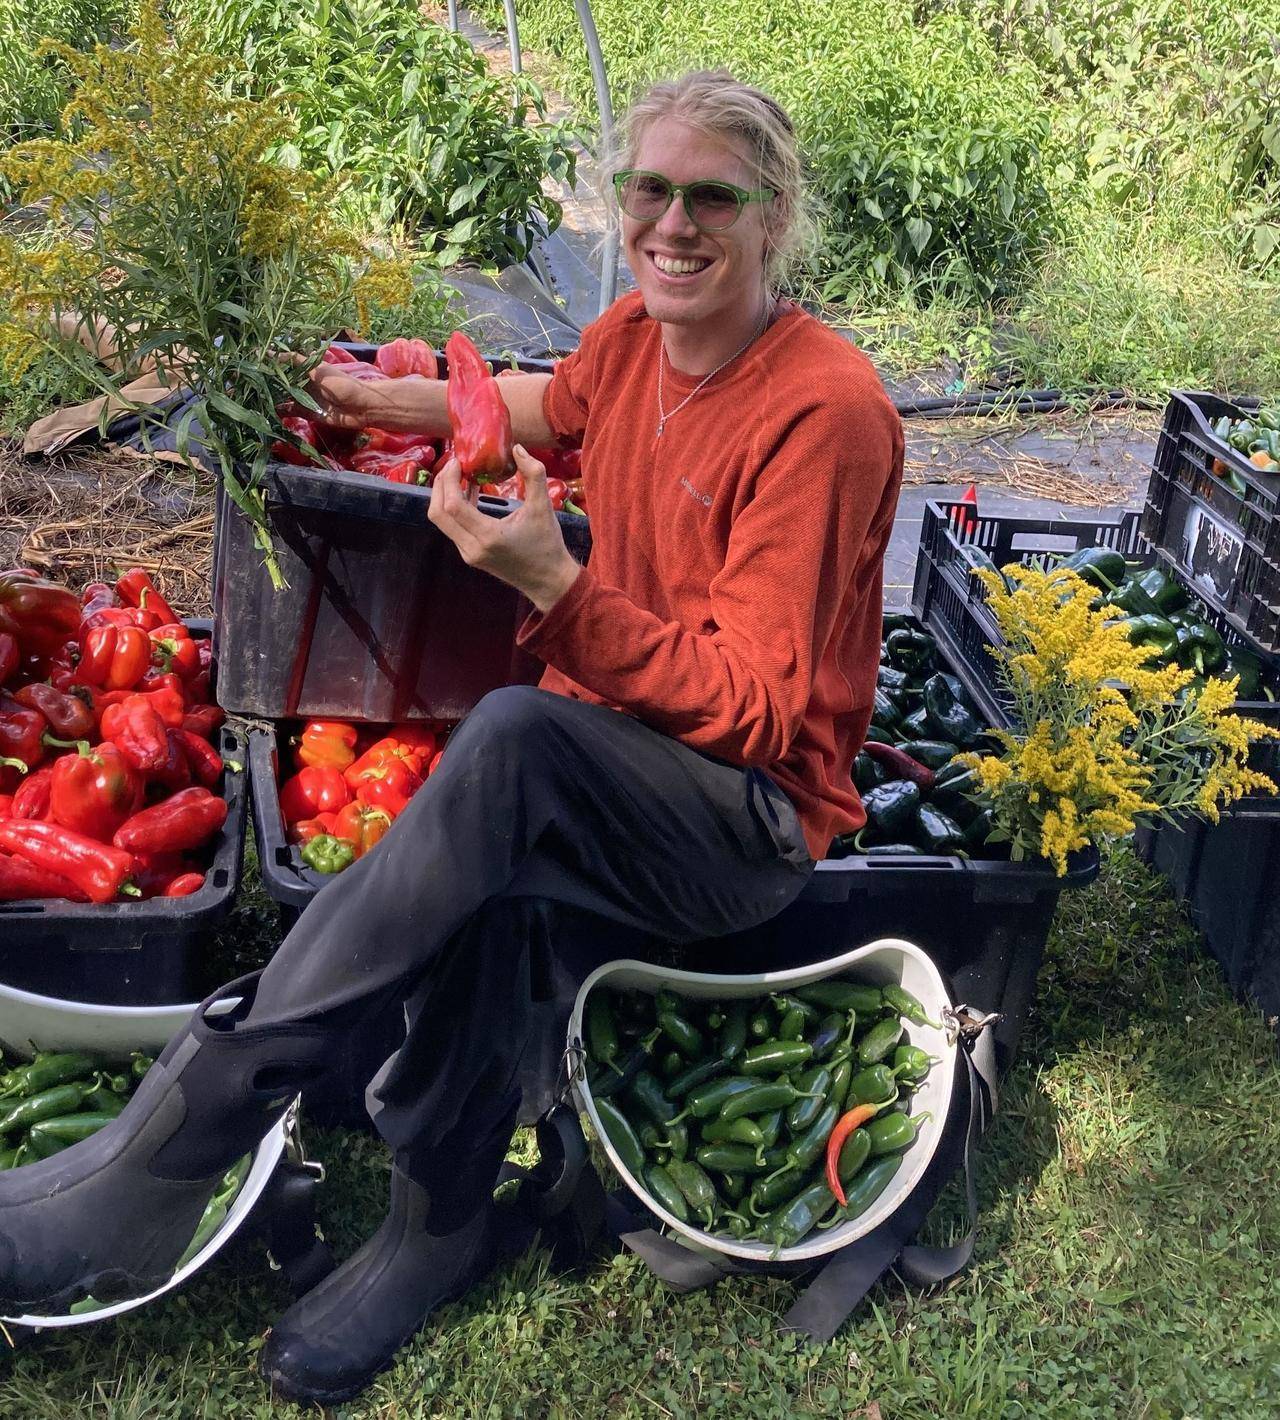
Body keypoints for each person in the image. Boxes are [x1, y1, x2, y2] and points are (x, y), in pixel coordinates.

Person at [0, 70, 902, 1406]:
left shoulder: (825, 412)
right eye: (650, 188)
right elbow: (559, 407)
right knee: (496, 869)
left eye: (716, 196)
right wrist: (377, 401)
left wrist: (554, 585)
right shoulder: (641, 340)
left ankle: (183, 1138)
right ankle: (438, 1223)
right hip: (615, 765)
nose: (674, 224)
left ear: (777, 220)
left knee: (515, 743)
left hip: (744, 818)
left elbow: (762, 712)